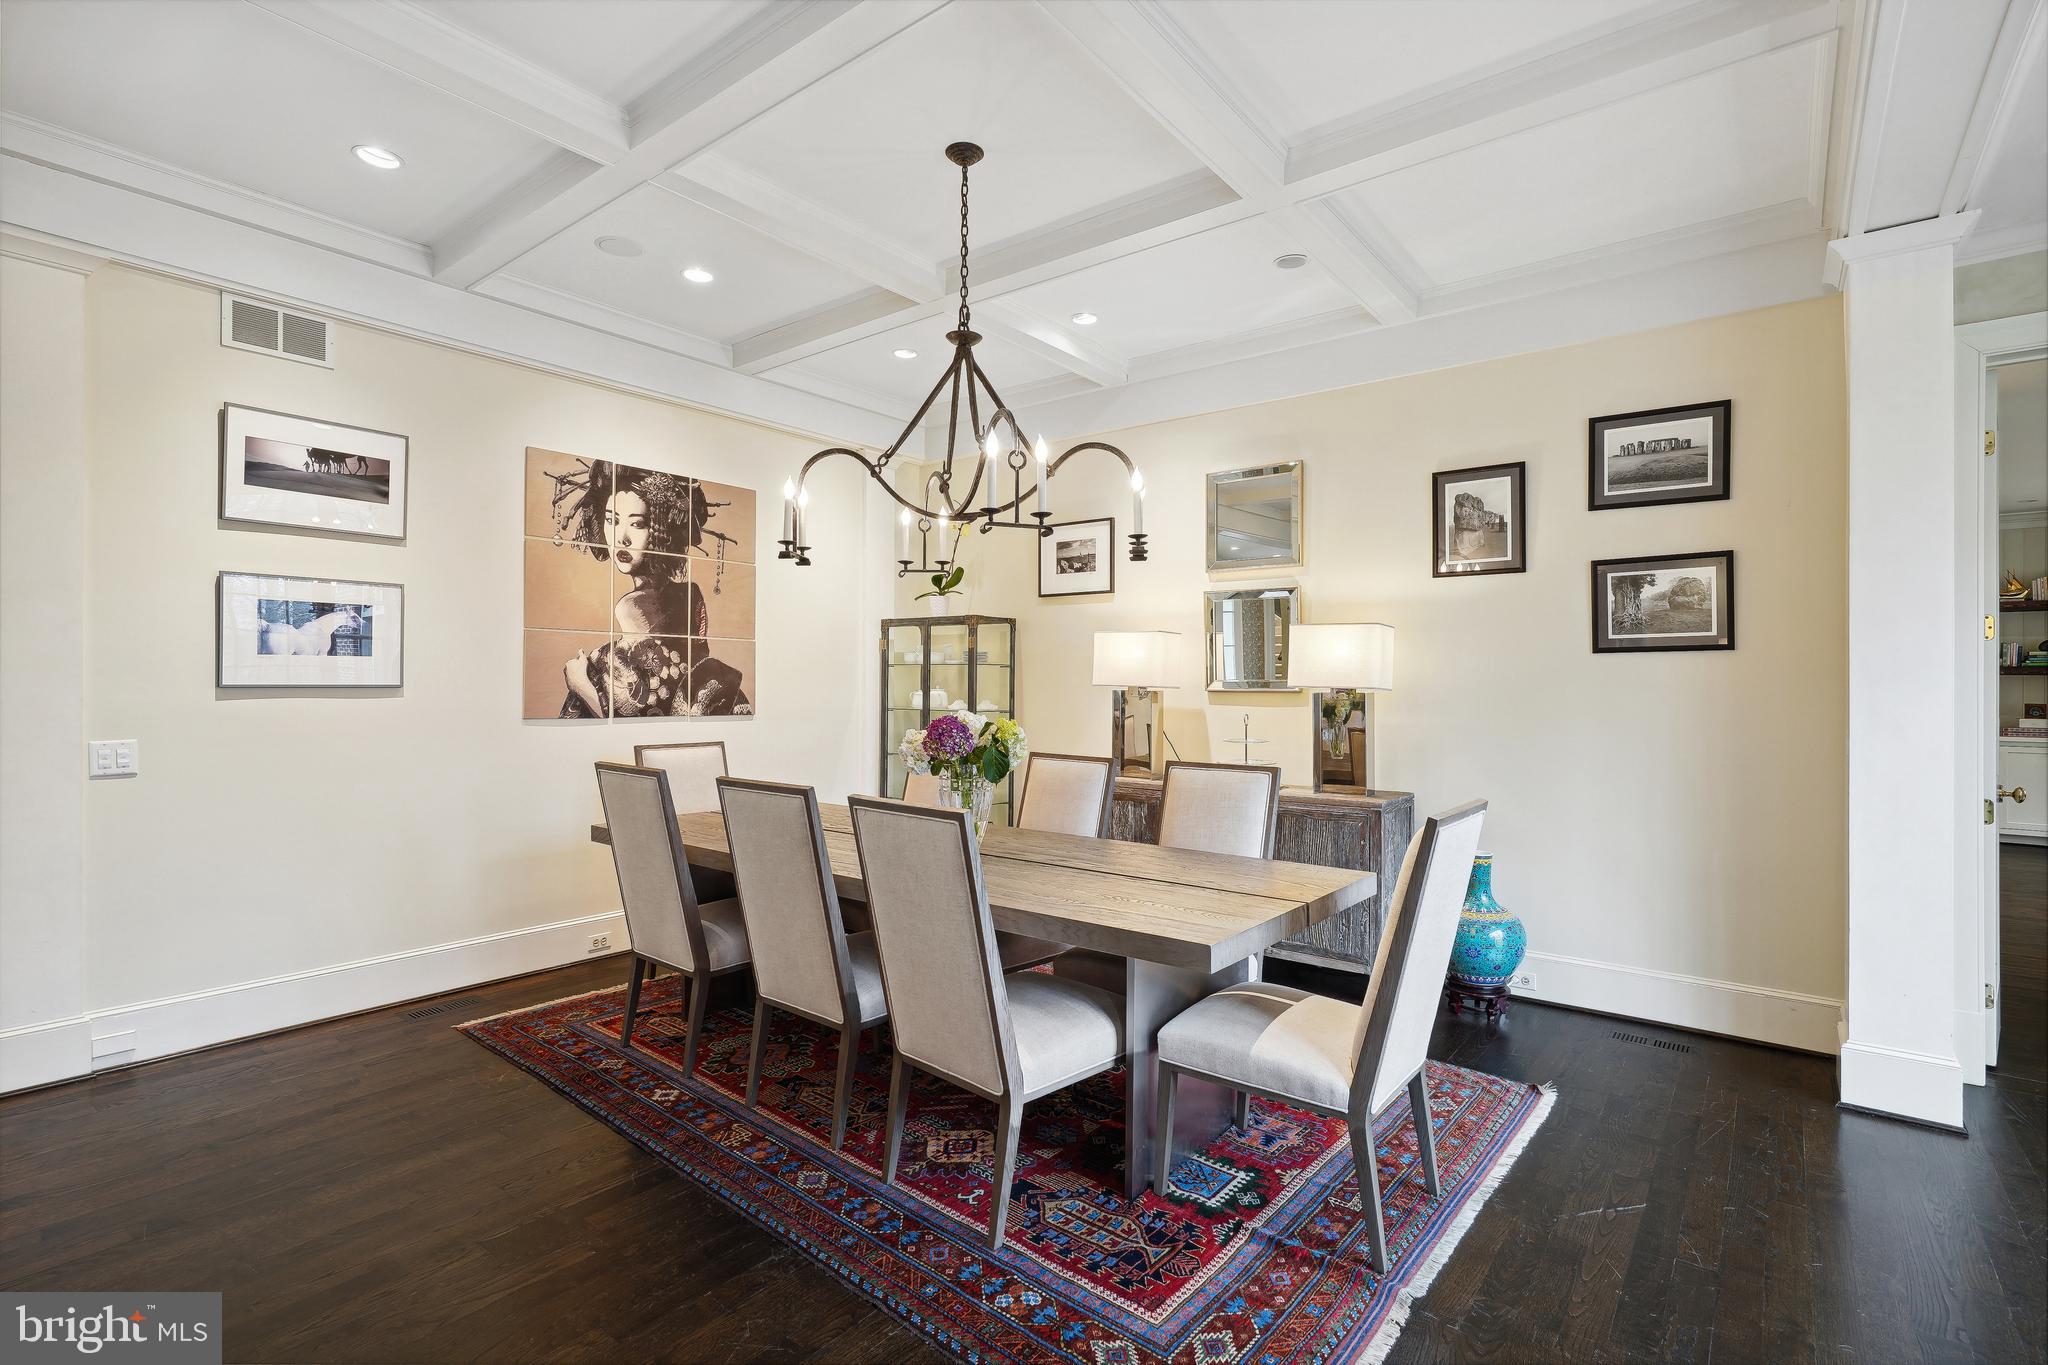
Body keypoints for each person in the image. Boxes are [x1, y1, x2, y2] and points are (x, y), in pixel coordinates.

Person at [546, 460, 749, 717]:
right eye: (612, 520)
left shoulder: (629, 623)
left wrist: (581, 686)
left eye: (637, 524)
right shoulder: (685, 606)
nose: (622, 537)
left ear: (662, 532)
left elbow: (631, 721)